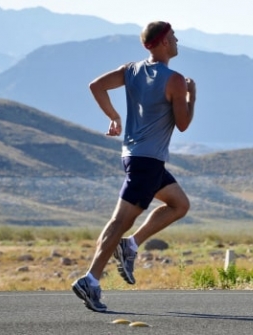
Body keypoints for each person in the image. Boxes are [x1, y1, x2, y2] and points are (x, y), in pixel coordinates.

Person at [71, 20, 196, 312]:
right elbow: (183, 124)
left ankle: (130, 245)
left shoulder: (131, 69)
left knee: (179, 204)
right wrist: (192, 96)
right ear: (164, 42)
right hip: (147, 162)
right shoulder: (175, 80)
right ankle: (90, 279)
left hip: (135, 156)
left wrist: (114, 116)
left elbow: (96, 86)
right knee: (119, 221)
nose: (177, 42)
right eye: (175, 38)